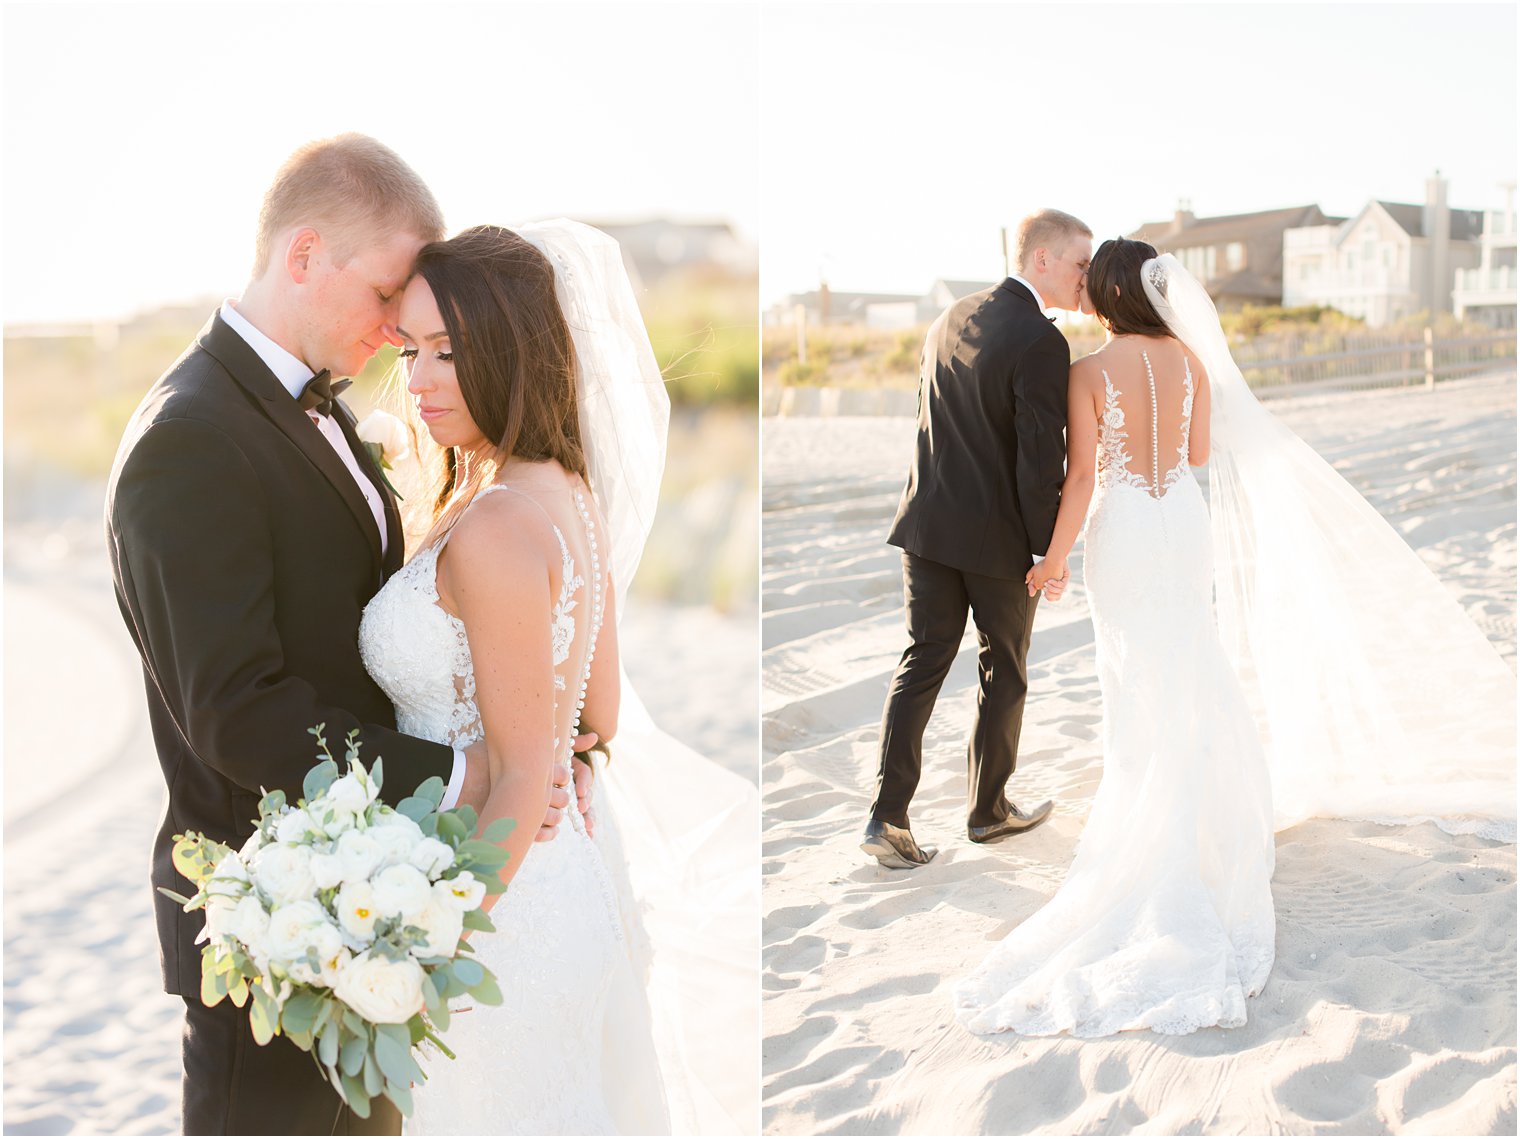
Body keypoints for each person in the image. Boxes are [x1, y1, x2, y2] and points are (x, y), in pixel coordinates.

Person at [105, 135, 581, 1135]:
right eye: (384, 295)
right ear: (304, 253)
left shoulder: (318, 412)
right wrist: (468, 774)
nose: (396, 327)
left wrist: (547, 737)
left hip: (370, 902)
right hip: (276, 920)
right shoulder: (190, 436)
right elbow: (237, 711)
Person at [953, 238, 1514, 1037]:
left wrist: (1053, 558)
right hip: (1181, 518)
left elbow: (1081, 479)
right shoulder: (1189, 359)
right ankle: (1214, 807)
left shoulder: (1087, 373)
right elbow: (1198, 454)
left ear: (1106, 298)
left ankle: (1155, 804)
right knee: (1191, 655)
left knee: (1138, 668)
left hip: (1126, 529)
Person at [359, 220, 723, 1134]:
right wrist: (561, 765)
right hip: (558, 882)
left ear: (516, 351)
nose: (421, 380)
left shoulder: (495, 525)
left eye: (449, 351)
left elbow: (525, 769)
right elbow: (594, 717)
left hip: (498, 915)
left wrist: (429, 953)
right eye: (411, 351)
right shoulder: (567, 492)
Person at [862, 208, 1092, 868]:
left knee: (923, 660)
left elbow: (926, 417)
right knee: (1005, 670)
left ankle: (887, 815)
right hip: (997, 543)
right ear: (1040, 259)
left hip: (928, 525)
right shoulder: (1042, 341)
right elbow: (1038, 459)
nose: (1086, 276)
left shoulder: (949, 316)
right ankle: (988, 810)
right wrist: (1047, 553)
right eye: (1079, 262)